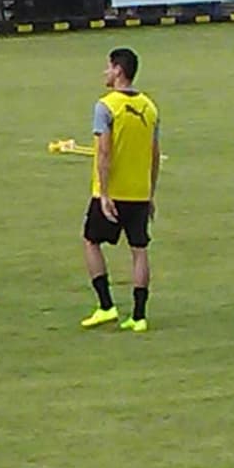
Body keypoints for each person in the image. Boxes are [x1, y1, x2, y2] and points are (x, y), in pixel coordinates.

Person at [80, 47, 160, 333]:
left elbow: (103, 152)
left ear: (118, 70)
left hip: (113, 193)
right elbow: (154, 154)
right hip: (139, 192)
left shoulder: (106, 106)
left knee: (91, 241)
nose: (105, 72)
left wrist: (103, 193)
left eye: (108, 67)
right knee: (139, 251)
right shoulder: (150, 107)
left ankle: (106, 306)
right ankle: (139, 316)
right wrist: (150, 193)